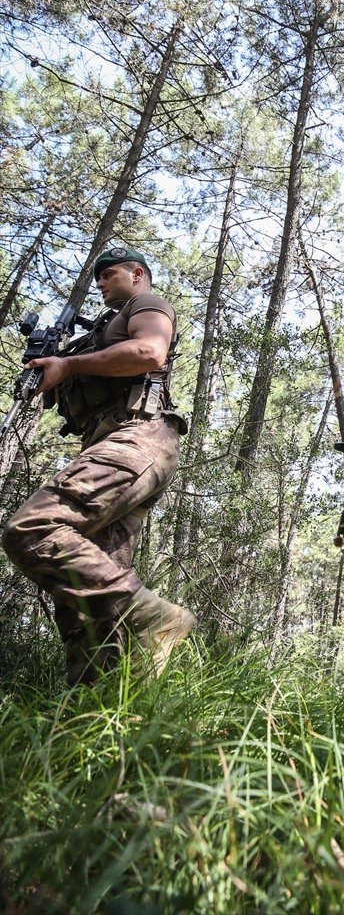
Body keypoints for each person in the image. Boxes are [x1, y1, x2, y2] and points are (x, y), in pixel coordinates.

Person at [2, 247, 195, 684]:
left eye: (109, 274)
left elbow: (149, 352)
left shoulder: (146, 305)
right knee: (83, 598)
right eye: (99, 278)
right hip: (110, 442)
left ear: (137, 273)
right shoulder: (96, 334)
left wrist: (68, 363)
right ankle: (101, 712)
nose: (102, 283)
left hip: (139, 435)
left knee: (33, 528)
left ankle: (153, 616)